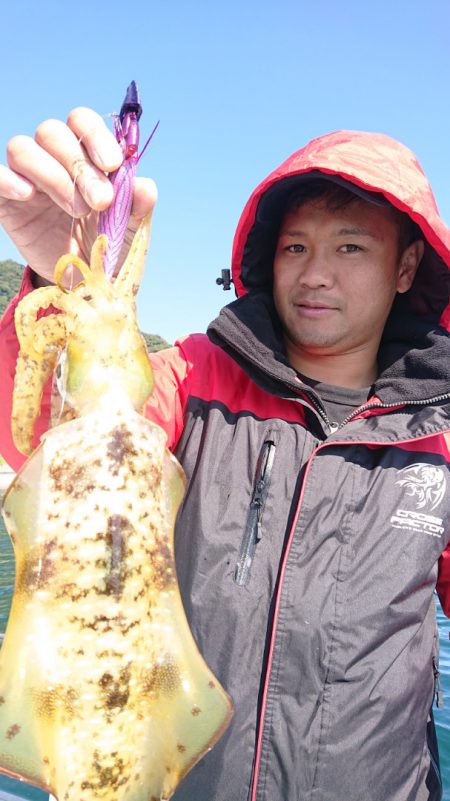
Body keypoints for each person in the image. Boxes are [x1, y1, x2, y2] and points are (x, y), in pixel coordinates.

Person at [1, 110, 450, 801]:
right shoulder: (193, 377)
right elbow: (44, 440)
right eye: (295, 247)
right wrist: (52, 284)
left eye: (350, 248)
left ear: (406, 267)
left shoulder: (438, 439)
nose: (316, 274)